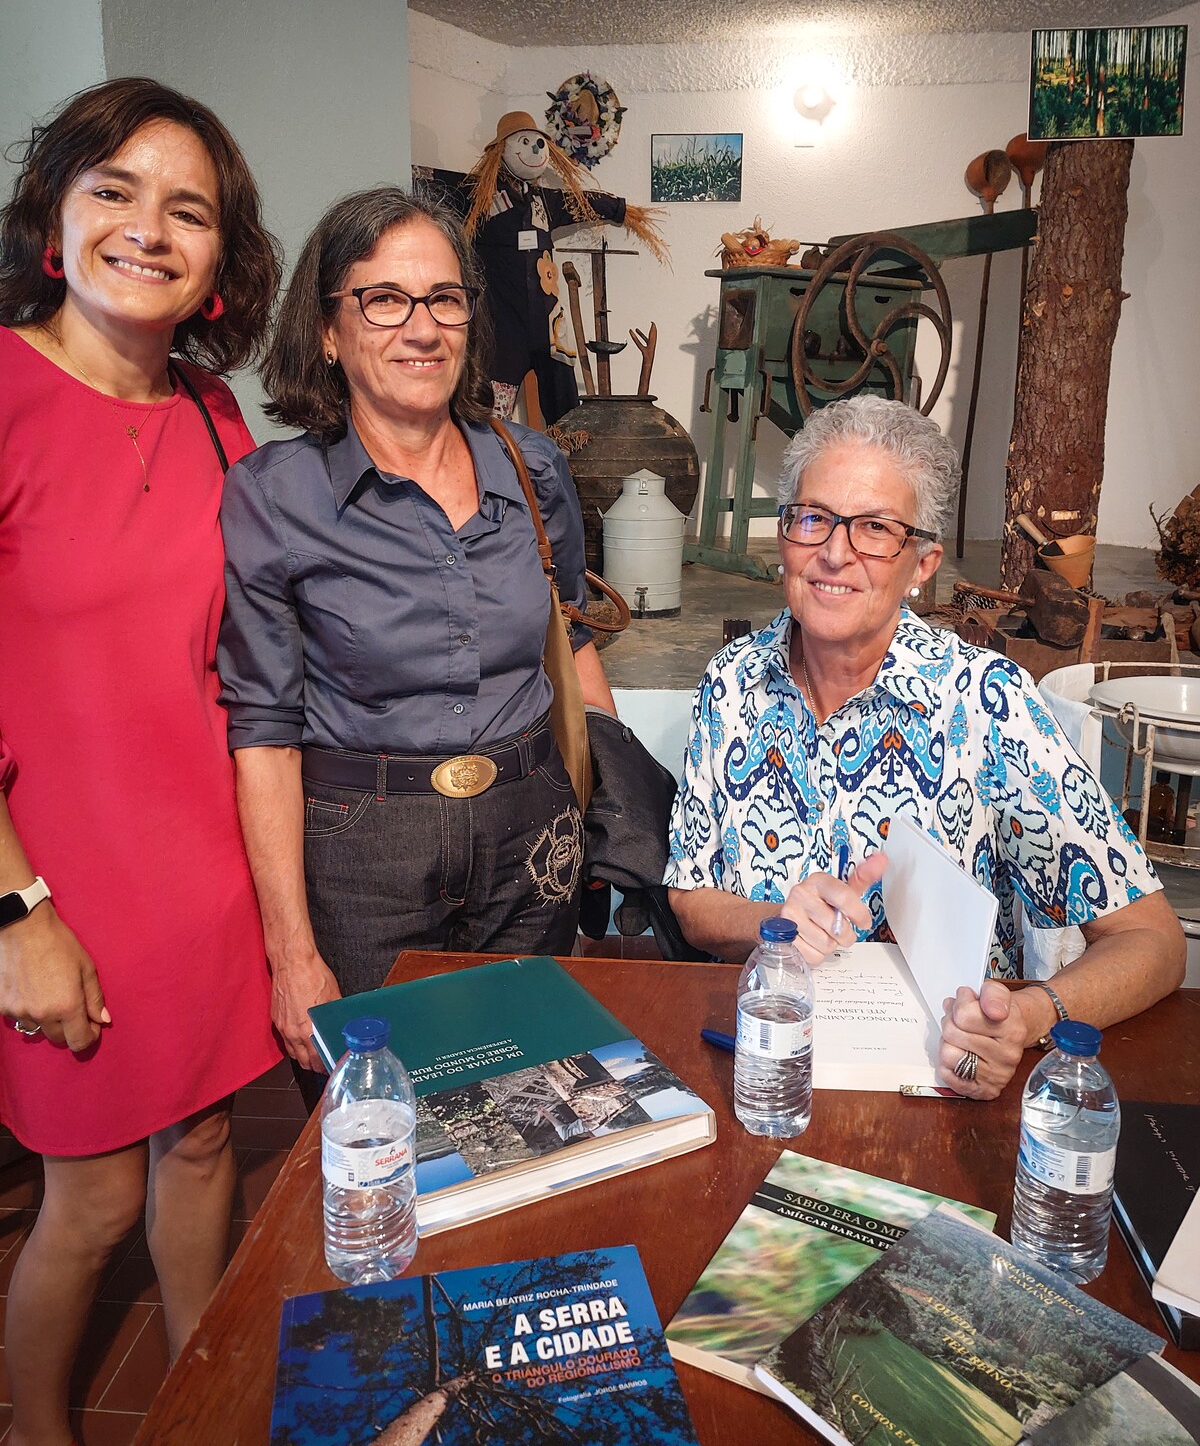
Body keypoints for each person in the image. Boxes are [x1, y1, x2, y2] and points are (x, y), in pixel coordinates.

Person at [0, 77, 282, 1446]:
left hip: (203, 868)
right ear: (54, 218)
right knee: (93, 1195)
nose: (149, 230)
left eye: (190, 209)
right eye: (113, 191)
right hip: (54, 876)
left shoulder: (215, 415)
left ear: (221, 258)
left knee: (209, 1143)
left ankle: (198, 1398)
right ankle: (37, 1427)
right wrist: (18, 915)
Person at [666, 394, 1185, 1101]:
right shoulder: (731, 683)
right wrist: (775, 922)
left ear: (922, 564)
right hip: (765, 1072)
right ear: (783, 535)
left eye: (875, 529)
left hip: (936, 1088)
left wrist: (1029, 1016)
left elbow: (1154, 942)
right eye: (813, 517)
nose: (835, 553)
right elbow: (691, 897)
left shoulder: (986, 702)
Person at [217, 186, 616, 1097]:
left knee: (537, 1101)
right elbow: (264, 731)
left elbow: (572, 641)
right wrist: (290, 952)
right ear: (328, 329)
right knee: (381, 1125)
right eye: (385, 300)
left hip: (532, 832)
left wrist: (607, 811)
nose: (423, 328)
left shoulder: (532, 466)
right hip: (364, 853)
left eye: (444, 298)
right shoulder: (275, 496)